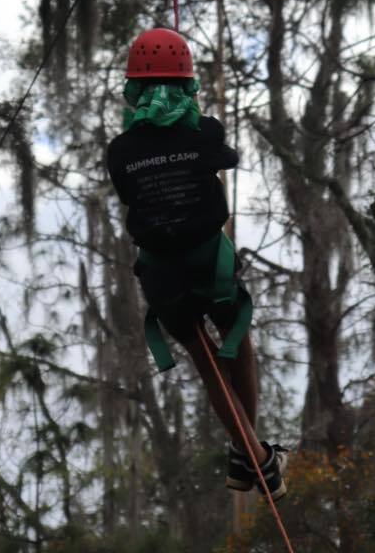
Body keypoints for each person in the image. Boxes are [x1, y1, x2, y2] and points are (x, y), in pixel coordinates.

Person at [105, 28, 290, 501]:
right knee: (238, 344)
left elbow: (130, 193)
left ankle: (246, 455)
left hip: (165, 276)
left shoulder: (120, 151)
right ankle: (258, 460)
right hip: (211, 268)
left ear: (134, 90)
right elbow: (224, 159)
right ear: (187, 85)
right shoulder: (205, 131)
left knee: (208, 363)